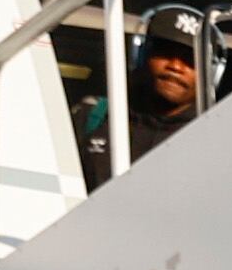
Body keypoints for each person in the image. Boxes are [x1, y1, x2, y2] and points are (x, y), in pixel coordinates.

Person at [74, 15, 199, 186]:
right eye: (165, 52)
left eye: (190, 60)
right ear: (140, 55)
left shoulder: (213, 142)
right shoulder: (94, 115)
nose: (175, 66)